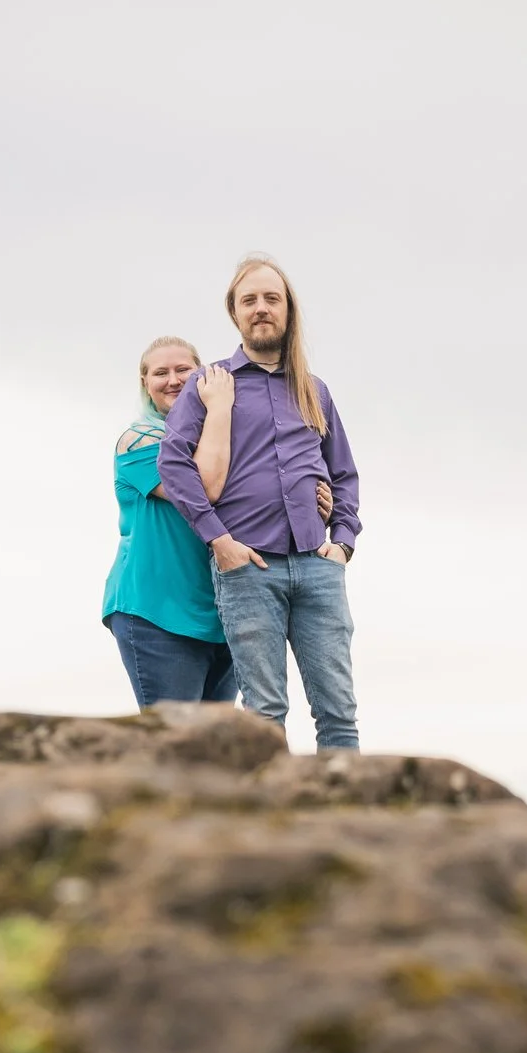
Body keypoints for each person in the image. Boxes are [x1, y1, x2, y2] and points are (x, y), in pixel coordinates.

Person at [157, 254, 363, 749]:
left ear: (288, 310)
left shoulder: (314, 391)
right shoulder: (211, 383)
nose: (261, 308)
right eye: (249, 300)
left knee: (338, 710)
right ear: (235, 313)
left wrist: (344, 543)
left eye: (272, 298)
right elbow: (173, 464)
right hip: (247, 568)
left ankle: (343, 822)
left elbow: (344, 473)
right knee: (265, 712)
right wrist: (219, 540)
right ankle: (271, 822)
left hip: (317, 566)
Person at [100, 337, 243, 708]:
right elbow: (205, 487)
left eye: (184, 370)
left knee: (214, 752)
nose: (173, 380)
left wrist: (318, 501)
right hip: (156, 612)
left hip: (221, 616)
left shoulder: (221, 438)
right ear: (145, 384)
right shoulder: (139, 442)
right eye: (160, 373)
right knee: (175, 751)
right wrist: (221, 408)